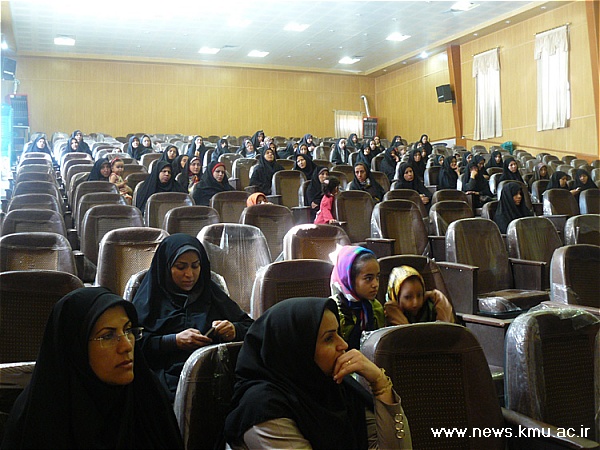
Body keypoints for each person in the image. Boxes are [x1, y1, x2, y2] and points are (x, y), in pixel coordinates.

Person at [1, 287, 183, 449]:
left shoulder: (147, 395)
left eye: (128, 330)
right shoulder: (39, 418)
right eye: (108, 336)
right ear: (76, 349)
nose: (127, 346)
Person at [224, 297, 411, 450]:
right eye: (329, 338)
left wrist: (380, 383)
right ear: (298, 350)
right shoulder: (263, 408)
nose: (343, 344)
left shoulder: (338, 388)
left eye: (338, 333)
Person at [132, 234, 253, 402]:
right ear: (166, 267)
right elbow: (134, 344)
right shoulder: (150, 299)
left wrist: (234, 330)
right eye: (181, 267)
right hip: (166, 380)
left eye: (195, 266)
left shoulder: (210, 293)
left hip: (216, 376)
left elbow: (251, 327)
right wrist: (173, 341)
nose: (189, 274)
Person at [330, 246, 384, 350]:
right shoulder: (334, 309)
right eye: (368, 278)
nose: (375, 284)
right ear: (349, 279)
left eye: (377, 277)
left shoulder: (375, 306)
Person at [384, 265, 455, 325]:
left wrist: (436, 295)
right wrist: (392, 309)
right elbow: (408, 333)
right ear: (396, 297)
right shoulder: (390, 314)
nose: (415, 303)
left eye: (419, 295)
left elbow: (446, 328)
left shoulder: (429, 307)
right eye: (408, 297)